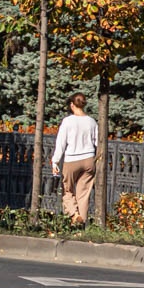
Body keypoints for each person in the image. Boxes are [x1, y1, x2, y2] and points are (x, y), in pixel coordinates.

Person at [51, 92, 98, 223]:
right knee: (83, 194)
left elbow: (61, 143)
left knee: (67, 190)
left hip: (72, 159)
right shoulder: (92, 122)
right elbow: (97, 142)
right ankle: (80, 225)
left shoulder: (68, 121)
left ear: (72, 105)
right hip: (89, 159)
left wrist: (55, 161)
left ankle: (74, 214)